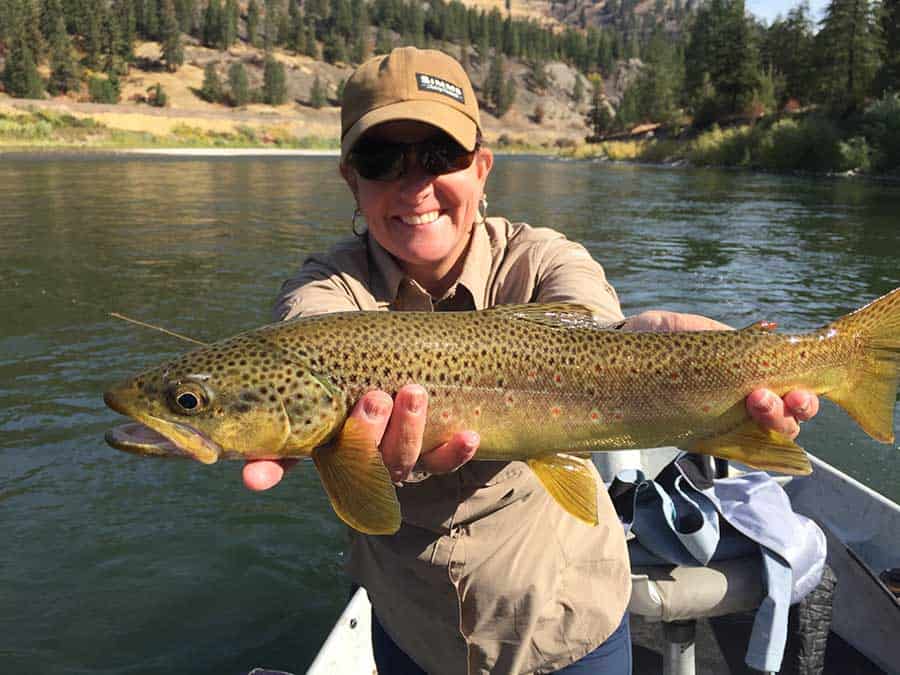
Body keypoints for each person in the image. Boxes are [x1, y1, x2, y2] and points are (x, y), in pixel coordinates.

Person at [242, 47, 820, 674]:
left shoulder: (543, 257)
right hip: (414, 632)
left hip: (568, 626)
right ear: (351, 180)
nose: (416, 184)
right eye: (382, 160)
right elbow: (309, 333)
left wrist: (654, 346)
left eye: (441, 156)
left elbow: (600, 328)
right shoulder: (326, 286)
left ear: (482, 169)